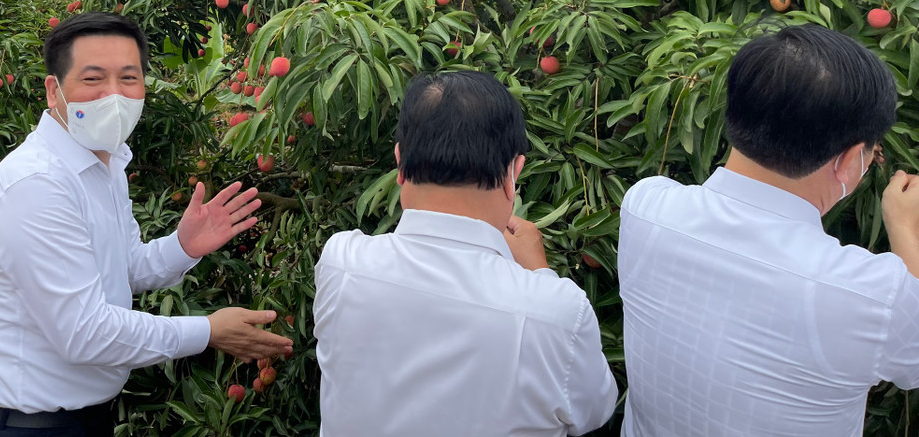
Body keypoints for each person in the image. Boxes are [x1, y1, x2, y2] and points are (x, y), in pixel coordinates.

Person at [0, 13, 293, 437]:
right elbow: (83, 333)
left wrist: (182, 247)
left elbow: (123, 269)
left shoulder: (105, 163)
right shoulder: (38, 184)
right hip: (25, 427)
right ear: (53, 92)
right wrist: (207, 331)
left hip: (80, 420)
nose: (114, 95)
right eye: (93, 79)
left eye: (129, 79)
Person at [618, 23, 919, 437]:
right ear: (849, 159)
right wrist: (906, 227)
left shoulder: (645, 208)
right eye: (872, 153)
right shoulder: (869, 295)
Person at [314, 71, 618, 437]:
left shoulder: (341, 263)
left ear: (399, 162)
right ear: (513, 172)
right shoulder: (557, 314)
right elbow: (594, 413)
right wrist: (540, 274)